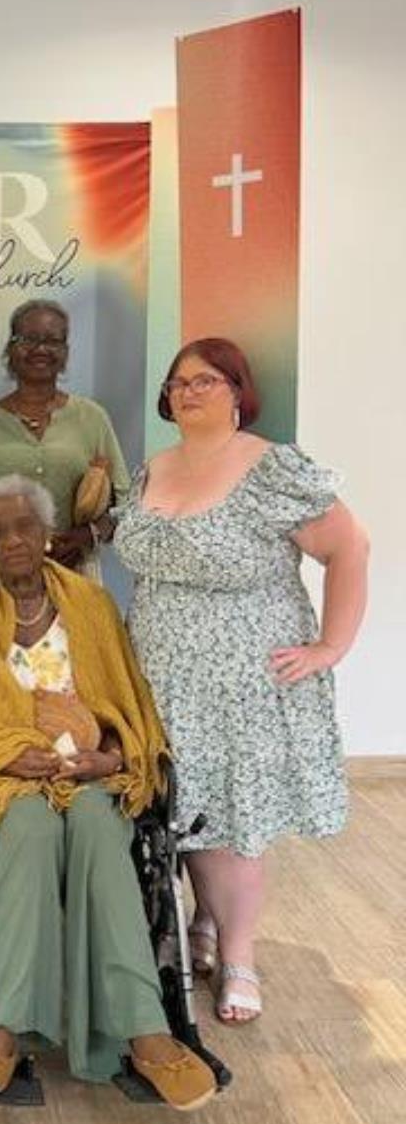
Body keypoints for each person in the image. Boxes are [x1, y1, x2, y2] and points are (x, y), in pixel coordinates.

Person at [0, 475, 217, 1111]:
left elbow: (132, 705)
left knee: (99, 826)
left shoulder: (91, 607)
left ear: (47, 536)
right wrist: (8, 754)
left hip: (89, 775)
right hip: (3, 779)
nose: (14, 540)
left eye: (26, 527)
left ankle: (147, 1031)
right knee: (33, 829)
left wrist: (110, 756)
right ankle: (1, 1030)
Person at [112, 337, 369, 1024]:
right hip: (160, 677)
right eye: (179, 382)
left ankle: (240, 956)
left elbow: (350, 547)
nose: (189, 391)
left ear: (237, 391)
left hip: (242, 682)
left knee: (232, 824)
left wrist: (330, 646)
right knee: (180, 813)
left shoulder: (270, 468)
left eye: (207, 379)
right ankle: (202, 924)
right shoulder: (154, 469)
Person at [0, 302, 130, 571]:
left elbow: (125, 504)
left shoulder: (92, 418)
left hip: (75, 576)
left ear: (65, 352)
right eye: (29, 339)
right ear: (10, 349)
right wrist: (7, 543)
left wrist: (87, 536)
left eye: (52, 341)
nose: (41, 349)